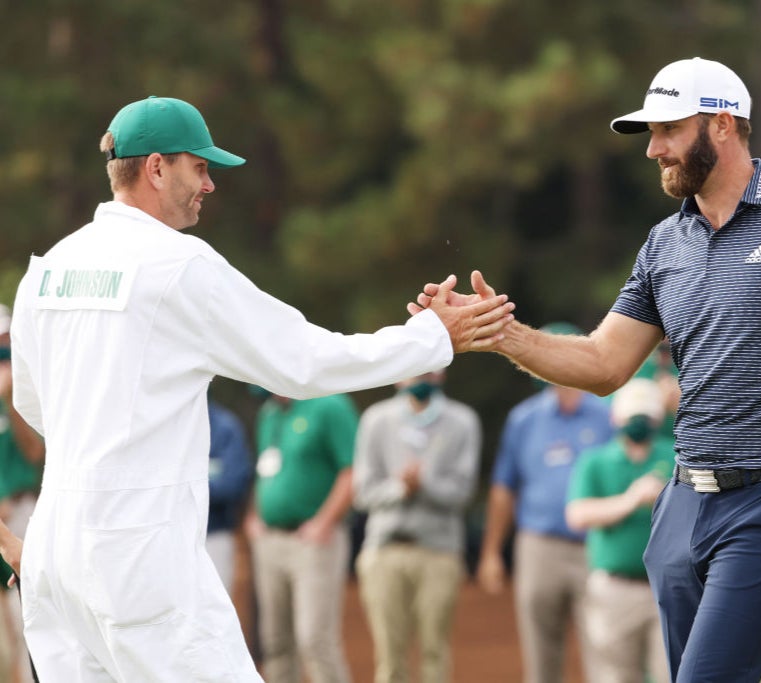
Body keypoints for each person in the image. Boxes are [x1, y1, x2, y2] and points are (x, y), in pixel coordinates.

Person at [410, 57, 761, 683]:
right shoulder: (665, 244)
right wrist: (502, 333)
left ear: (722, 126)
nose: (654, 149)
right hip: (683, 504)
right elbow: (604, 363)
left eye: (668, 129)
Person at [8, 95, 515, 682]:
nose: (209, 184)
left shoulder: (46, 271)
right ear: (155, 168)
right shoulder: (177, 265)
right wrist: (432, 336)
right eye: (200, 167)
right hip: (140, 556)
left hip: (55, 551)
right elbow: (303, 362)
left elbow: (33, 405)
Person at [476, 322, 615, 683]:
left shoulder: (608, 415)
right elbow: (505, 487)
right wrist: (492, 551)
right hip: (538, 545)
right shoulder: (524, 419)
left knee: (604, 648)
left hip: (596, 545)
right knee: (540, 653)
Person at [353, 370, 480, 683]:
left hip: (439, 551)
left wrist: (424, 484)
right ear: (398, 375)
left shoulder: (462, 421)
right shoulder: (376, 420)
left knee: (435, 652)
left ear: (443, 372)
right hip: (384, 550)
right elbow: (362, 492)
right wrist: (400, 489)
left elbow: (463, 492)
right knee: (389, 656)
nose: (423, 374)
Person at [566, 377, 675, 683]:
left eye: (645, 415)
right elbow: (578, 514)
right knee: (615, 674)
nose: (638, 422)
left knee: (672, 672)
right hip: (615, 587)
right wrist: (630, 500)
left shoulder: (675, 456)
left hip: (667, 586)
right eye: (632, 415)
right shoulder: (596, 461)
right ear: (616, 417)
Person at [245, 391, 358, 683]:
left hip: (313, 543)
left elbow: (352, 469)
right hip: (270, 541)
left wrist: (324, 522)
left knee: (314, 638)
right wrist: (254, 516)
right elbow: (265, 470)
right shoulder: (268, 413)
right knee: (274, 640)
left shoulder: (329, 405)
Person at [0, 305, 42, 683]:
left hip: (20, 516)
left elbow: (35, 451)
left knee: (28, 628)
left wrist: (11, 398)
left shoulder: (23, 387)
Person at [206, 395, 254, 592]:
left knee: (213, 614)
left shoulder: (224, 426)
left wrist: (182, 487)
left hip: (213, 536)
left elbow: (232, 484)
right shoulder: (162, 424)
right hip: (166, 538)